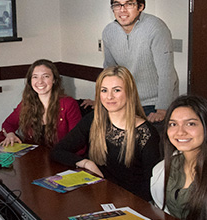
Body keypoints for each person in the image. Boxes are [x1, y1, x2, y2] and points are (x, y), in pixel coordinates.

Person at [51, 66, 161, 201]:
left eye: (117, 90)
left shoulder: (146, 133)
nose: (109, 97)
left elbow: (152, 186)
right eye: (104, 90)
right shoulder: (94, 119)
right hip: (100, 195)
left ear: (129, 92)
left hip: (131, 203)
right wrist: (86, 163)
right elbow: (58, 150)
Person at [94, 0, 179, 123]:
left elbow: (166, 73)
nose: (122, 10)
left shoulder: (156, 28)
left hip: (154, 102)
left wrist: (163, 109)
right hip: (126, 101)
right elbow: (109, 71)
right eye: (117, 5)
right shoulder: (108, 32)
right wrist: (101, 100)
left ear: (141, 6)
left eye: (129, 4)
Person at [0, 59, 82, 149]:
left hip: (61, 157)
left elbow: (78, 140)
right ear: (30, 81)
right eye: (35, 77)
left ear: (54, 80)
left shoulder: (68, 104)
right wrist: (10, 134)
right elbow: (8, 124)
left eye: (45, 76)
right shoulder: (27, 103)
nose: (40, 81)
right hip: (34, 158)